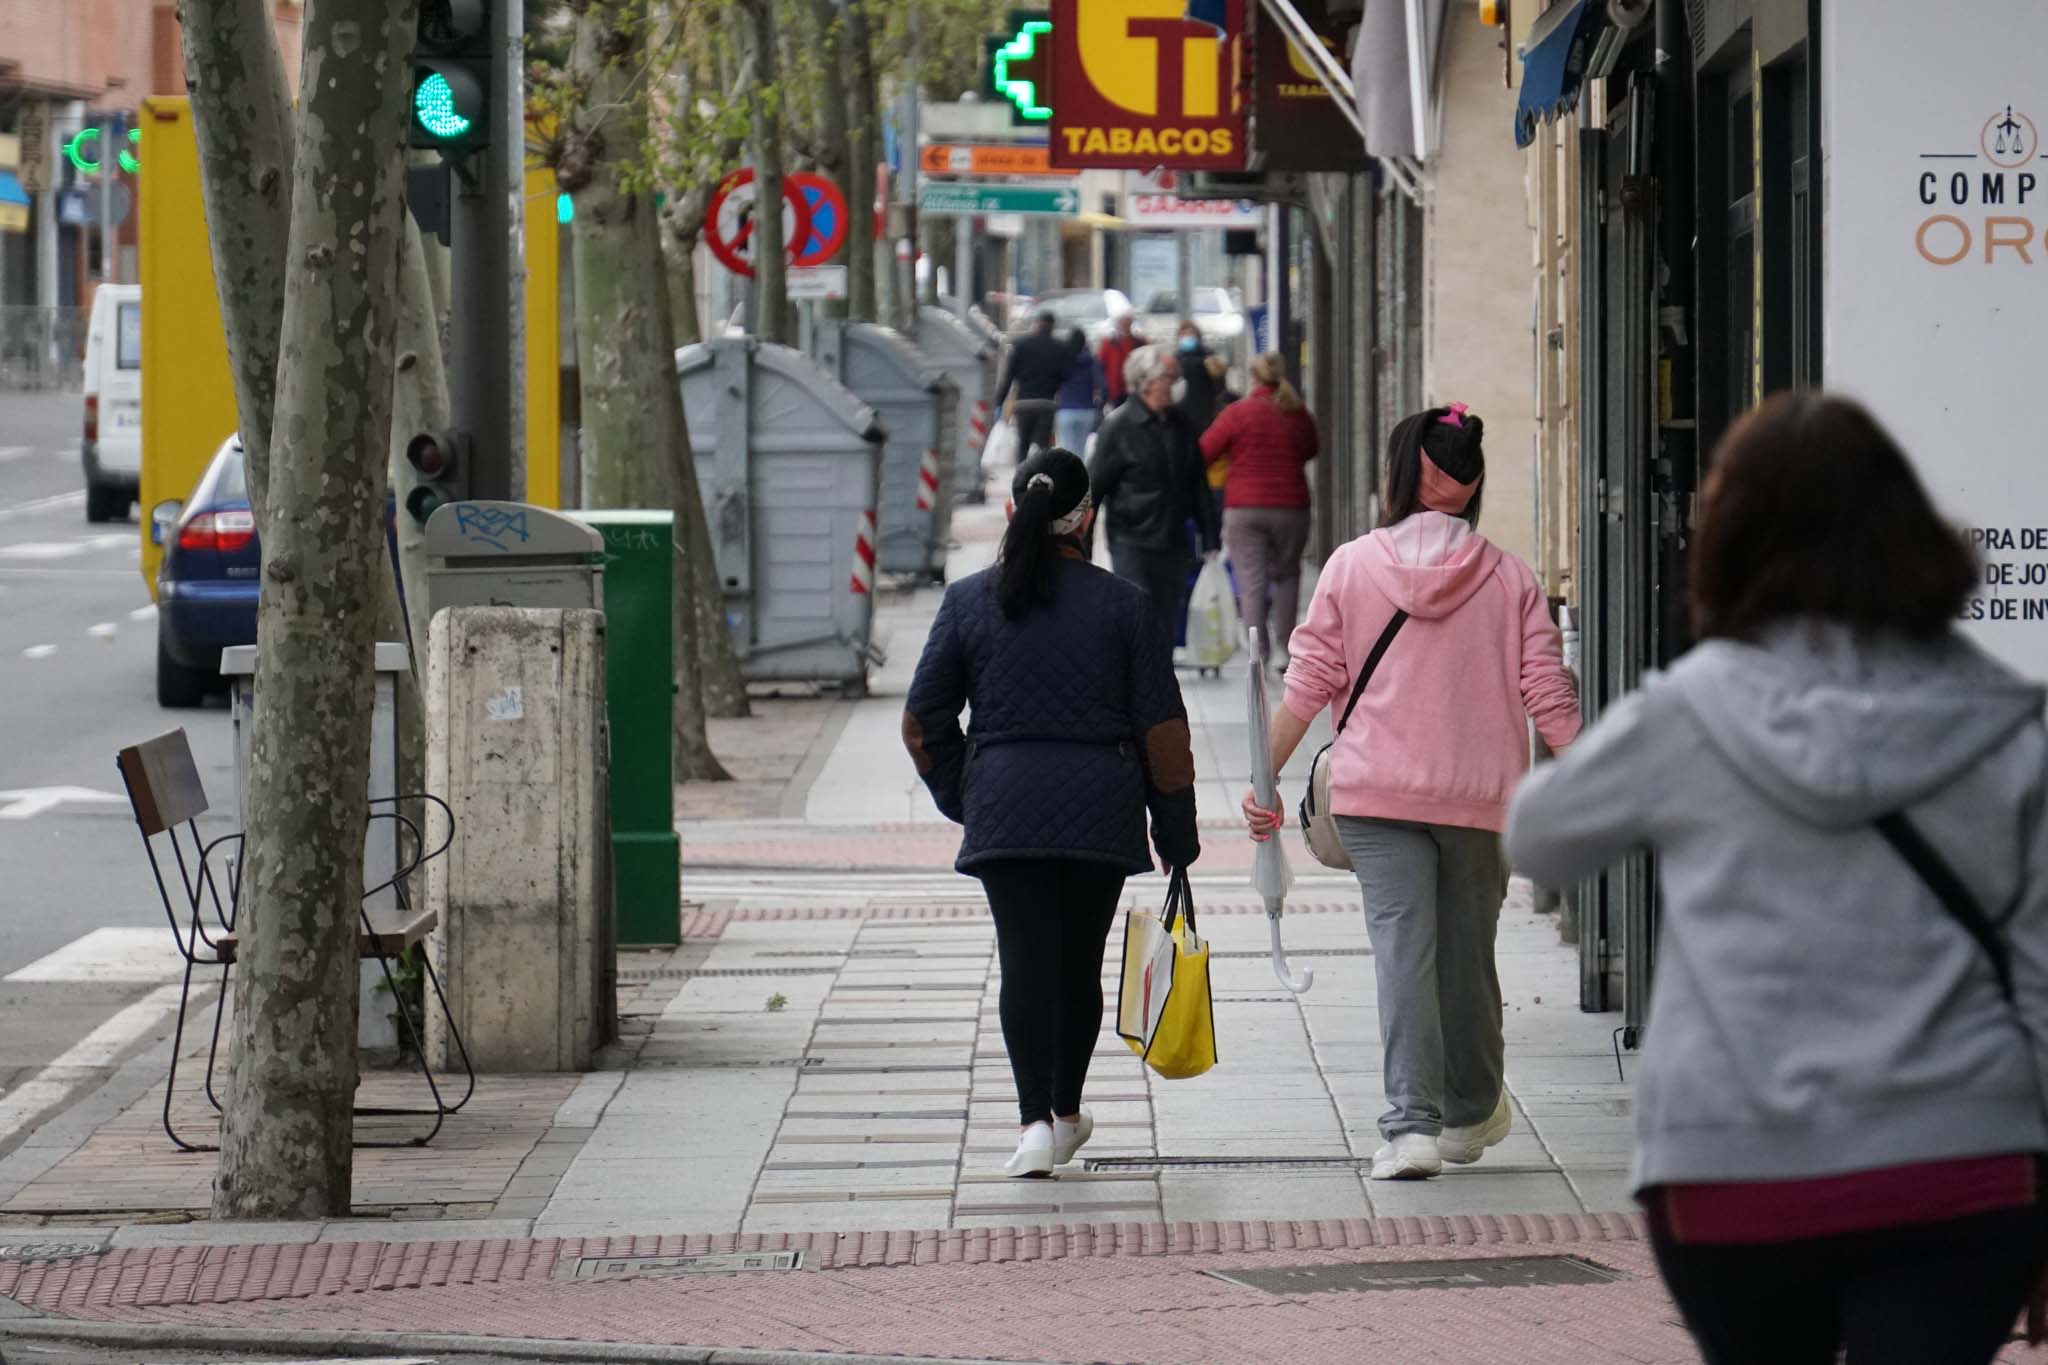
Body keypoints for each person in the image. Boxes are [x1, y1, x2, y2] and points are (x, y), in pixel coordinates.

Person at [1503, 392, 2048, 1365]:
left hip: (1730, 1166)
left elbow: (1537, 840)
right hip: (1957, 1163)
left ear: (1728, 540)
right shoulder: (2002, 722)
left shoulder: (1689, 714)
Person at [1240, 403, 1581, 1181]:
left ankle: (1414, 1125)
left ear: (1401, 474)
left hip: (1375, 796)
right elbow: (1547, 691)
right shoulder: (1510, 576)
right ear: (1469, 482)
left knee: (1403, 952)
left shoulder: (1352, 566)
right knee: (1468, 958)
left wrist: (1264, 782)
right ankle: (1467, 1106)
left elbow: (1309, 683)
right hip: (1482, 797)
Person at [902, 446, 1202, 1179]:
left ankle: (1033, 1121)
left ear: (1014, 511)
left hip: (1005, 806)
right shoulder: (1125, 605)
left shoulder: (969, 600)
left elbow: (922, 720)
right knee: (1078, 965)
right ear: (1088, 517)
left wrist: (965, 792)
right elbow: (1162, 731)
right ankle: (1066, 1110)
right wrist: (1176, 830)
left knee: (1024, 963)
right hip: (1100, 808)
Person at [1089, 343, 1221, 647]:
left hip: (1173, 541)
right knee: (1138, 615)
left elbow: (1197, 484)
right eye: (1171, 378)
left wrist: (1211, 539)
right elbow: (1094, 488)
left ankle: (1158, 684)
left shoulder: (1182, 425)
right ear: (1148, 382)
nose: (1178, 386)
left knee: (1165, 620)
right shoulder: (1119, 427)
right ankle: (1136, 682)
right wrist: (1079, 546)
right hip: (1131, 539)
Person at [1201, 352, 1319, 667]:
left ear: (1253, 378)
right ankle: (1285, 649)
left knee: (1251, 580)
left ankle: (1258, 653)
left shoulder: (1236, 413)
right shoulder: (1297, 413)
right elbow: (1311, 448)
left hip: (1245, 508)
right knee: (1287, 575)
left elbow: (1205, 452)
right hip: (1291, 507)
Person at [993, 311, 1070, 457]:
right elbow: (1065, 376)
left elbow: (1009, 376)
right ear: (1053, 327)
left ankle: (1022, 476)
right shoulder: (1059, 347)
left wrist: (1000, 401)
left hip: (1024, 403)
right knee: (1043, 448)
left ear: (1036, 324)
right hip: (1046, 403)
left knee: (1023, 445)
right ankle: (1041, 476)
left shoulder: (1020, 345)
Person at [1054, 328, 1103, 457]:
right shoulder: (1091, 361)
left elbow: (1055, 381)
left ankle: (1068, 475)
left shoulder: (1062, 360)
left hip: (1065, 409)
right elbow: (1103, 385)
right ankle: (1079, 474)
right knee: (1080, 450)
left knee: (1066, 448)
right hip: (1086, 410)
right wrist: (1099, 405)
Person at [1172, 321, 1223, 437]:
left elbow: (1219, 382)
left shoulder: (1209, 356)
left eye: (1191, 334)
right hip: (1183, 409)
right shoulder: (1175, 358)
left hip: (1206, 408)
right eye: (1184, 334)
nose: (1188, 337)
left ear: (1198, 336)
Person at [1098, 313, 1146, 410]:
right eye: (1124, 322)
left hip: (1133, 388)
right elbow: (1100, 365)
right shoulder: (1109, 343)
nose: (1126, 325)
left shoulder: (1138, 341)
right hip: (1115, 390)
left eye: (1128, 322)